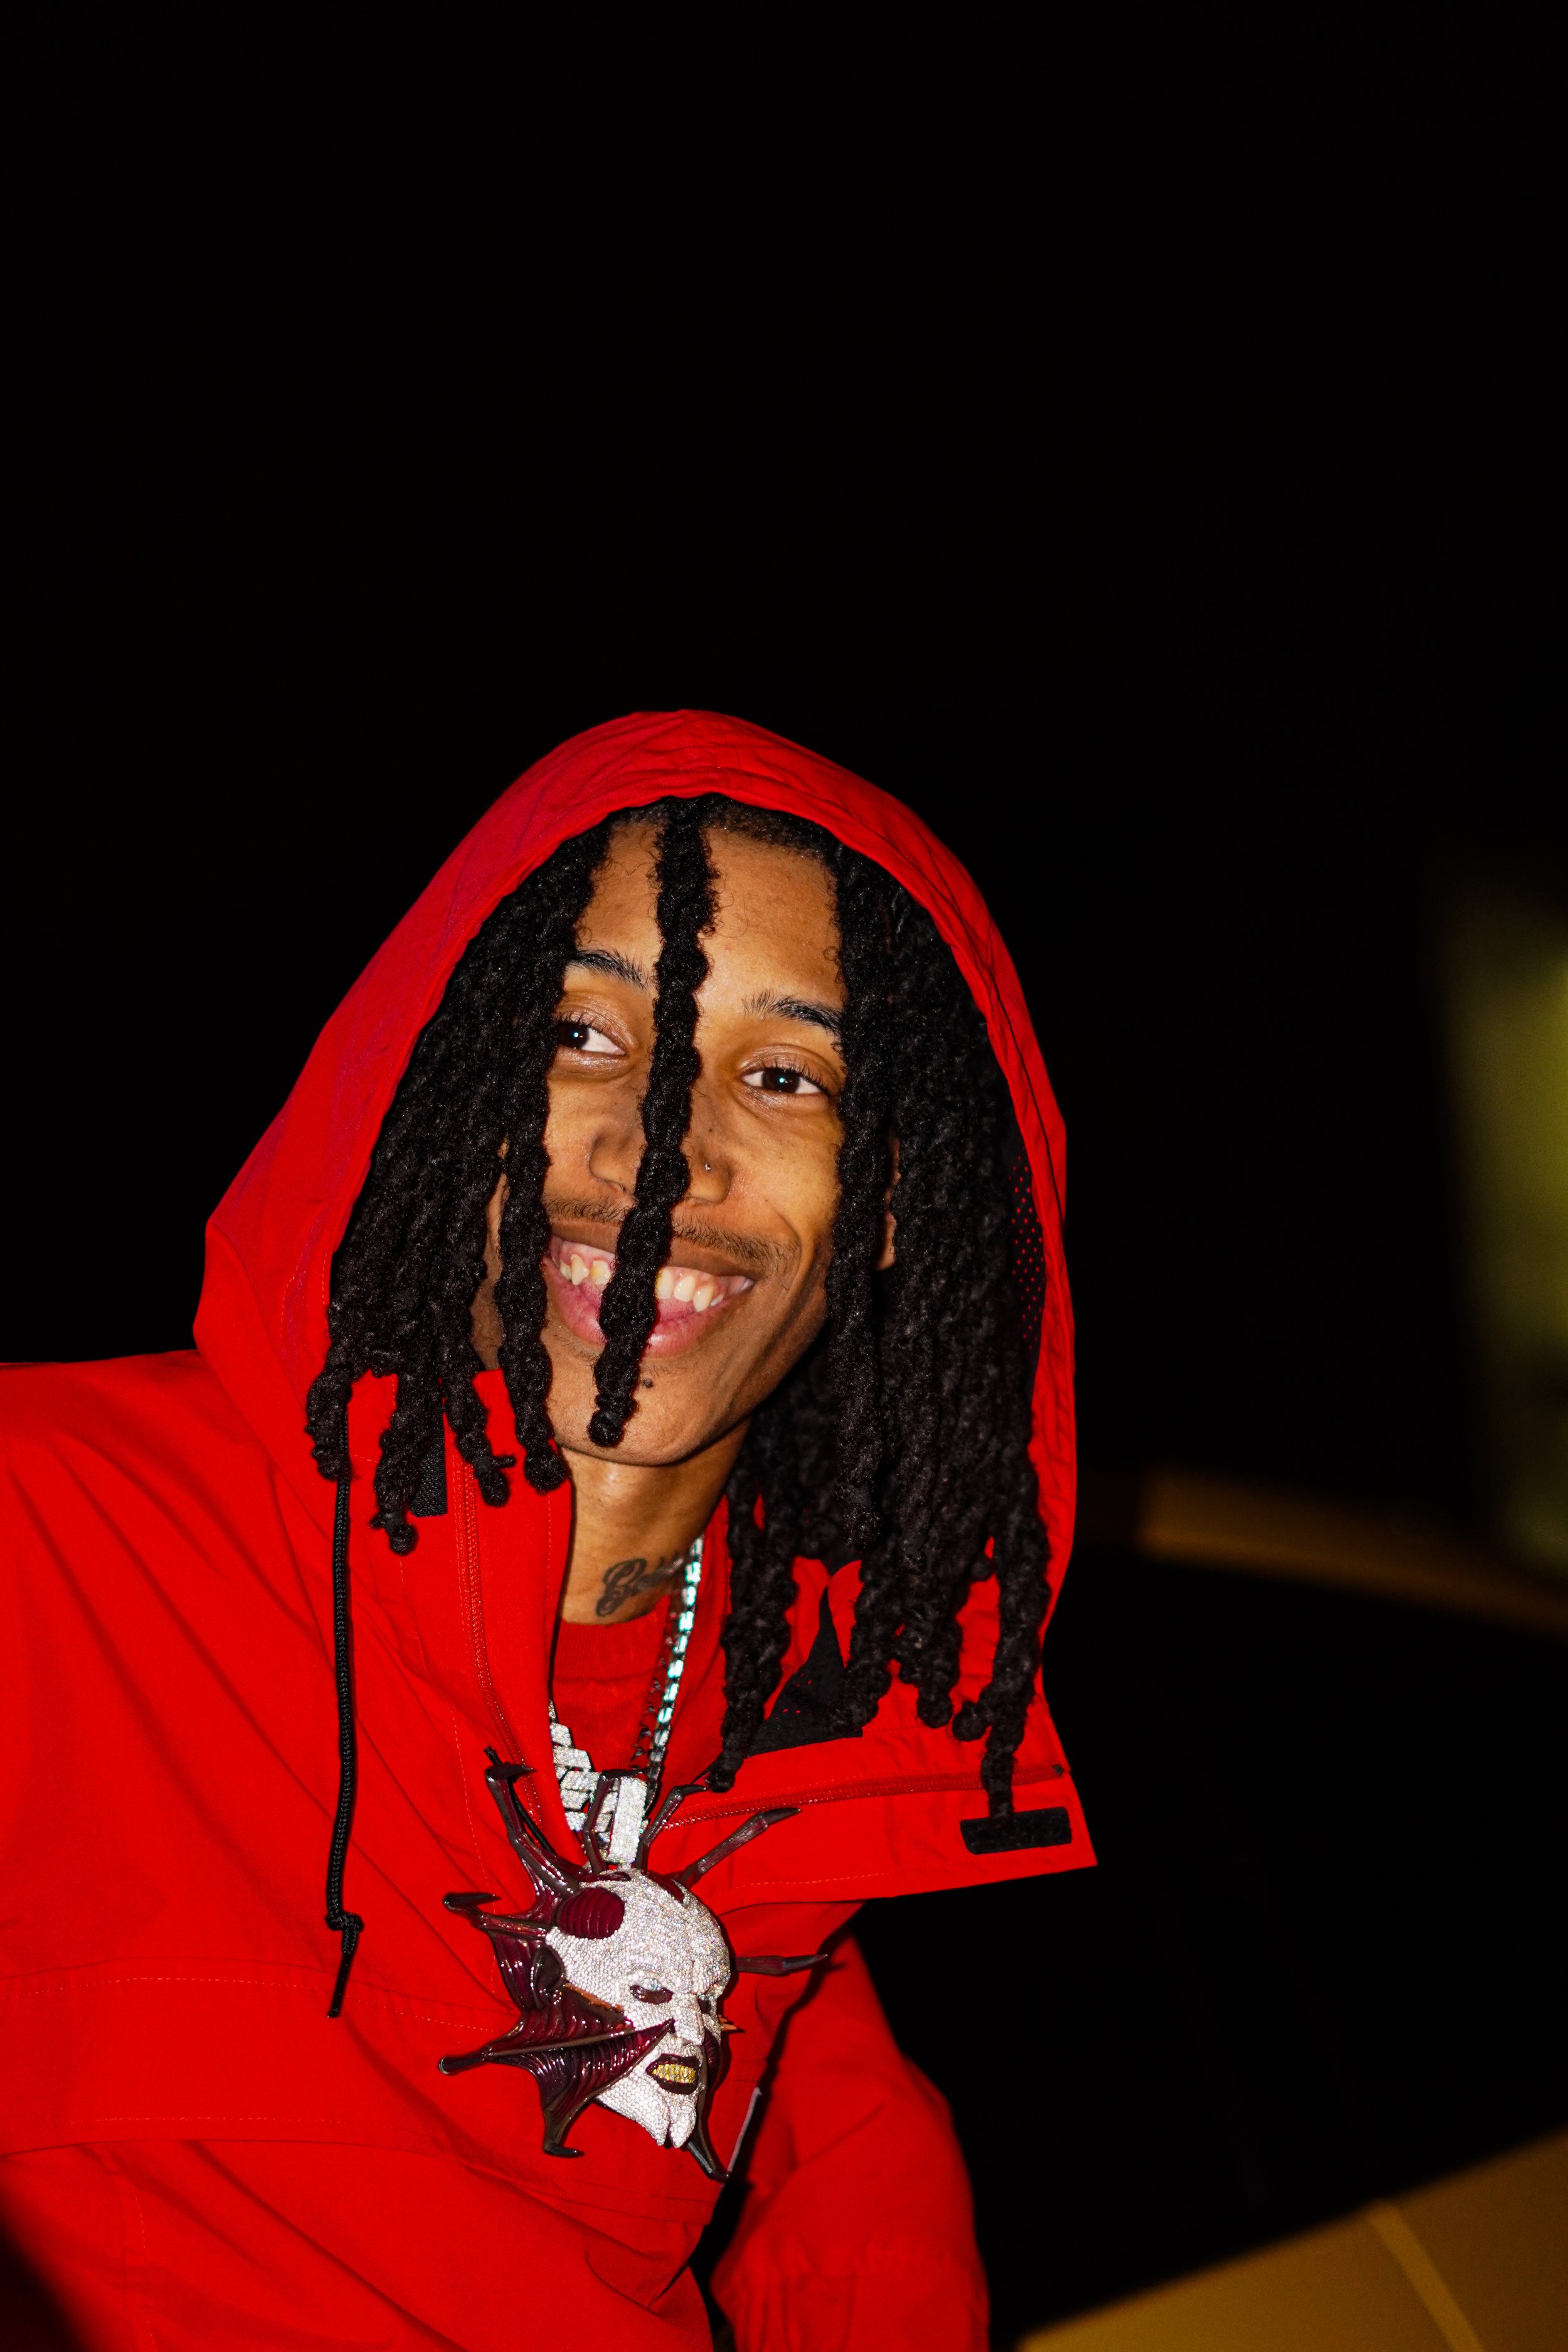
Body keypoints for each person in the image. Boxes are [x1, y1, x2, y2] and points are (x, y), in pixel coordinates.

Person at [0, 711, 1088, 2351]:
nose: (666, 1143)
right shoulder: (53, 1529)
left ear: (885, 1210)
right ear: (434, 1086)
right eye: (582, 1037)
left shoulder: (813, 1772)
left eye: (786, 1075)